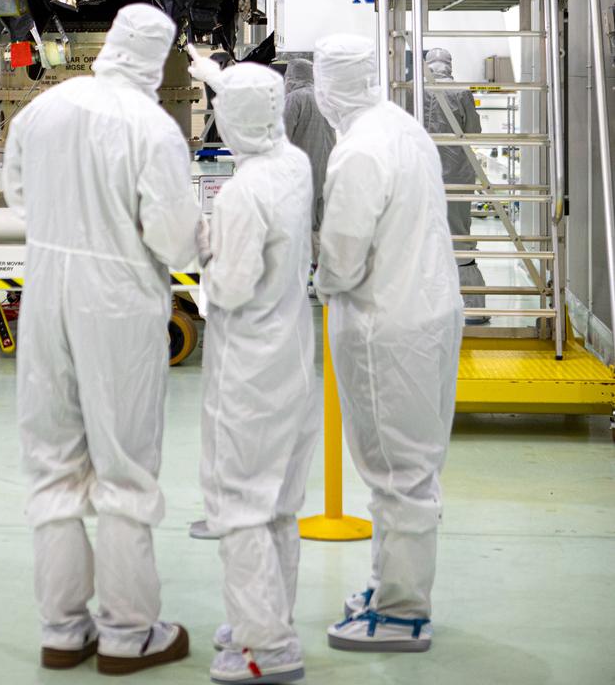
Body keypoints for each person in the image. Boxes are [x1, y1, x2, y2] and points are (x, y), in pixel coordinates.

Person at [3, 4, 203, 675]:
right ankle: (127, 635)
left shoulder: (45, 109)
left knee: (53, 465)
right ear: (159, 57)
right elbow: (174, 238)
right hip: (116, 301)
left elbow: (19, 199)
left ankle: (61, 631)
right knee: (123, 470)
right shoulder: (152, 127)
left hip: (47, 288)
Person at [313, 35, 463, 653]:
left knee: (396, 472)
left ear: (326, 86)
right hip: (428, 310)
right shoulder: (402, 127)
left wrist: (318, 282)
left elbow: (343, 257)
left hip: (387, 325)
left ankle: (402, 613)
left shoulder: (357, 151)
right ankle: (389, 588)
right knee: (413, 466)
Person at [188, 50, 319, 685]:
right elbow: (250, 113)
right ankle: (264, 617)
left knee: (241, 507)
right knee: (278, 507)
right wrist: (217, 74)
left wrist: (205, 259)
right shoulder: (293, 165)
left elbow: (232, 289)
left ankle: (264, 650)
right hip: (292, 357)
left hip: (250, 371)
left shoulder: (241, 196)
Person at [423, 47, 488, 323]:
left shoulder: (415, 89)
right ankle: (473, 308)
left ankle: (428, 308)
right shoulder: (462, 90)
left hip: (423, 172)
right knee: (459, 235)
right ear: (450, 64)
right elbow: (474, 131)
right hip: (458, 174)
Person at [284, 58, 335, 259]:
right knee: (322, 224)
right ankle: (324, 278)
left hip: (301, 173)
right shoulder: (325, 98)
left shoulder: (295, 99)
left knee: (300, 224)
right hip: (327, 170)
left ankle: (305, 276)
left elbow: (282, 137)